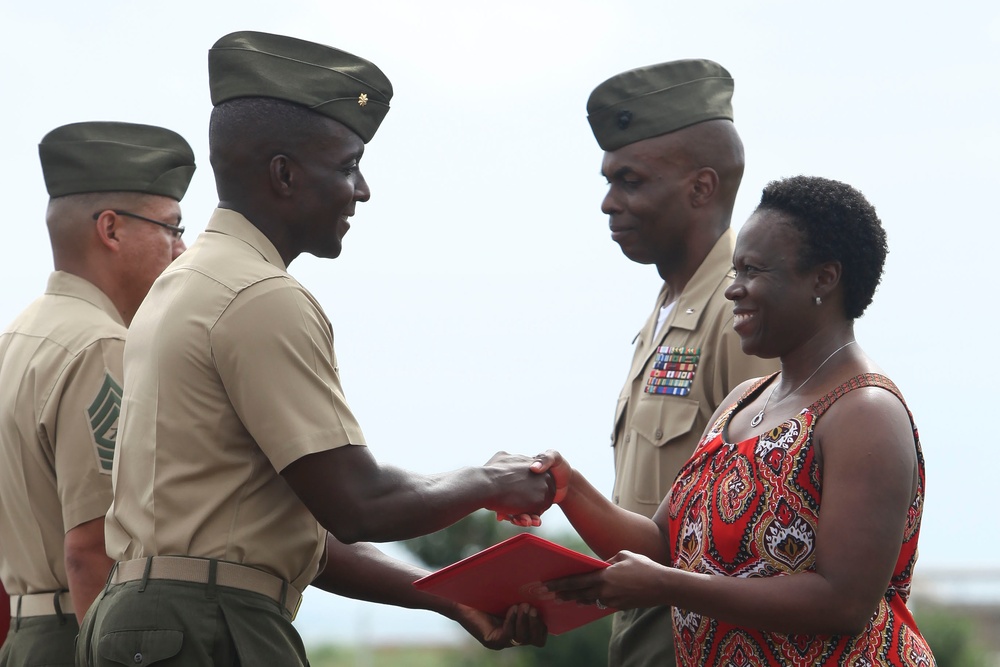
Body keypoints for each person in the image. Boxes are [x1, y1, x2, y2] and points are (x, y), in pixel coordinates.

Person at [76, 31, 552, 667]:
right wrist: (489, 480)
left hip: (160, 620)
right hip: (208, 628)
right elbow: (360, 502)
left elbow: (308, 535)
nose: (362, 190)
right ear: (285, 175)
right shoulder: (258, 296)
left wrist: (447, 598)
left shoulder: (187, 282)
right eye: (349, 165)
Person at [535, 175, 936, 665]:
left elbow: (844, 602)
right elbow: (663, 544)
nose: (734, 291)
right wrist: (568, 488)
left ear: (824, 278)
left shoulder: (863, 412)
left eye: (754, 271)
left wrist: (668, 586)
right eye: (733, 272)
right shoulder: (742, 401)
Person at [585, 59, 778, 665]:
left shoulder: (740, 311)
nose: (608, 203)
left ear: (701, 187)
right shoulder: (672, 305)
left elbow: (770, 524)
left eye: (631, 181)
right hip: (648, 638)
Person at [0, 121, 194, 665]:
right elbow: (92, 549)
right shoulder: (101, 345)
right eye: (172, 229)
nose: (182, 251)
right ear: (111, 229)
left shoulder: (19, 336)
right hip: (82, 636)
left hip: (27, 636)